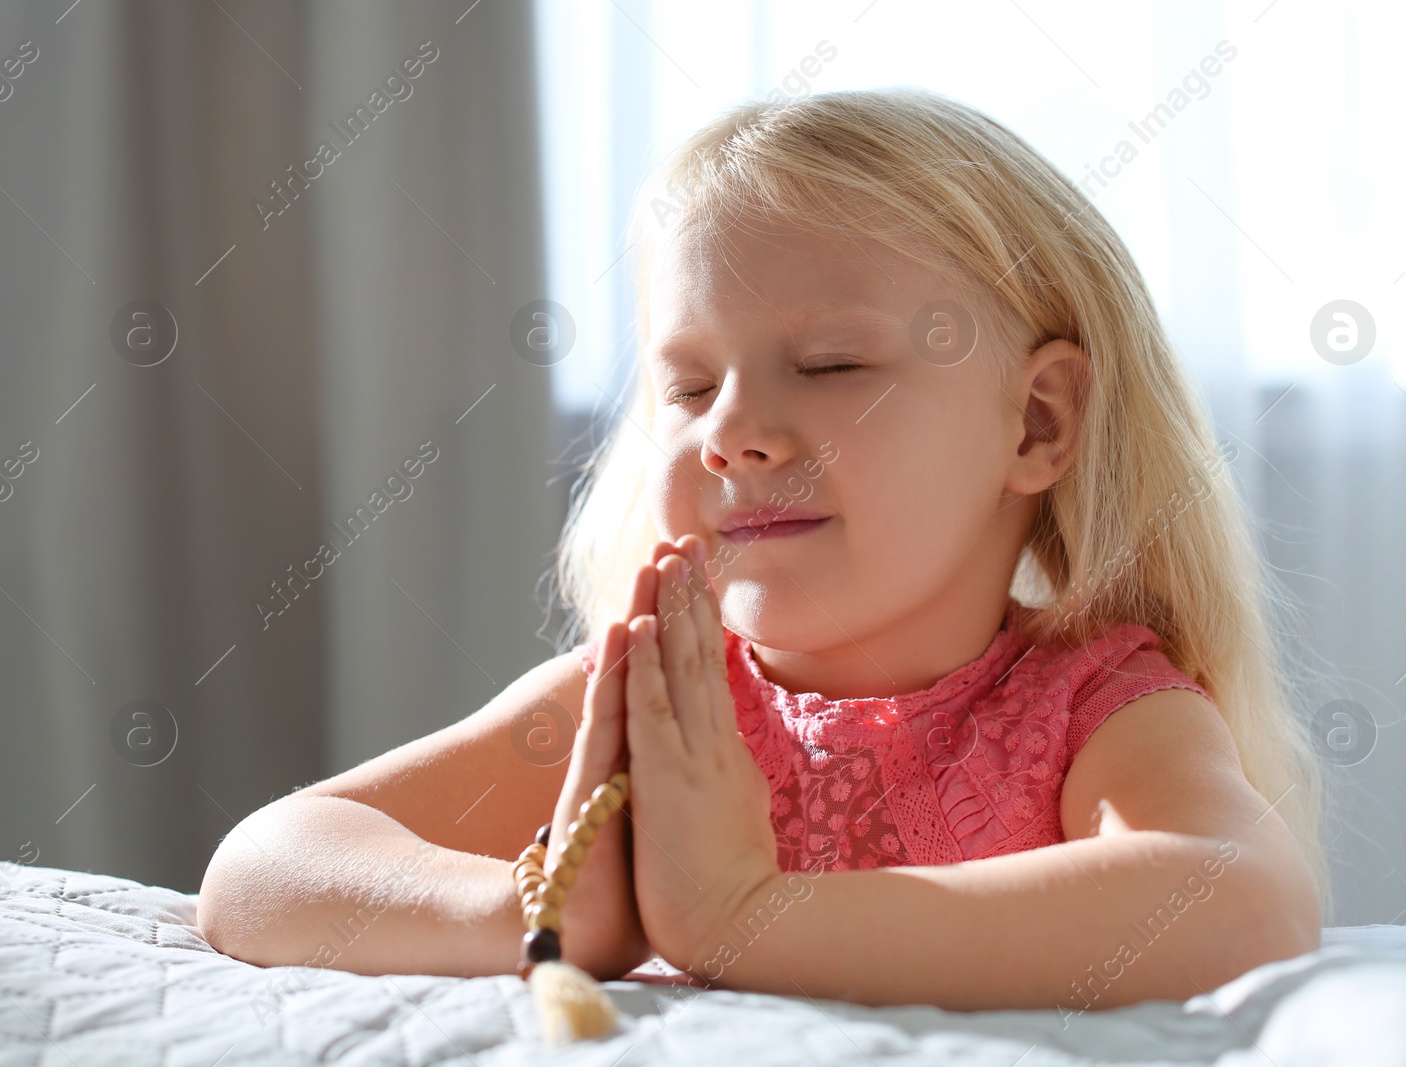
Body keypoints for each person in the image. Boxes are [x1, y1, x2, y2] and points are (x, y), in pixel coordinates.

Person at [198, 87, 1323, 1013]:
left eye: (831, 363)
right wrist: (535, 911)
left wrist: (745, 914)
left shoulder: (1096, 707)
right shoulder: (656, 705)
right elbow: (264, 863)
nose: (729, 431)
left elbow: (1240, 902)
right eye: (688, 387)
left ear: (1034, 421)